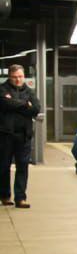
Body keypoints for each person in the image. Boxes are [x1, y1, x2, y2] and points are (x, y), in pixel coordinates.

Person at [0, 64, 40, 208]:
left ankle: (20, 198)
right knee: (4, 166)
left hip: (24, 136)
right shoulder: (2, 89)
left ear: (24, 76)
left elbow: (36, 108)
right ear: (9, 77)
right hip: (5, 135)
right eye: (15, 77)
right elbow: (4, 102)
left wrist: (15, 105)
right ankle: (4, 195)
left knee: (23, 166)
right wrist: (25, 105)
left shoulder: (30, 91)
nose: (18, 80)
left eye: (20, 77)